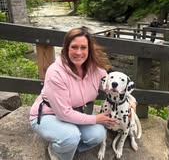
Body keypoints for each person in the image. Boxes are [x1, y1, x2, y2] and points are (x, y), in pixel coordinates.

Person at [29, 26, 117, 160]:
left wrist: (131, 102)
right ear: (66, 48)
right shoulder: (55, 72)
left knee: (97, 135)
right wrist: (95, 119)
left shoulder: (96, 69)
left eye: (83, 47)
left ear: (89, 49)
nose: (79, 52)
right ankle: (58, 152)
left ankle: (65, 146)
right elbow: (63, 113)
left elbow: (112, 87)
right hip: (49, 115)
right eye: (74, 47)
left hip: (79, 114)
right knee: (70, 136)